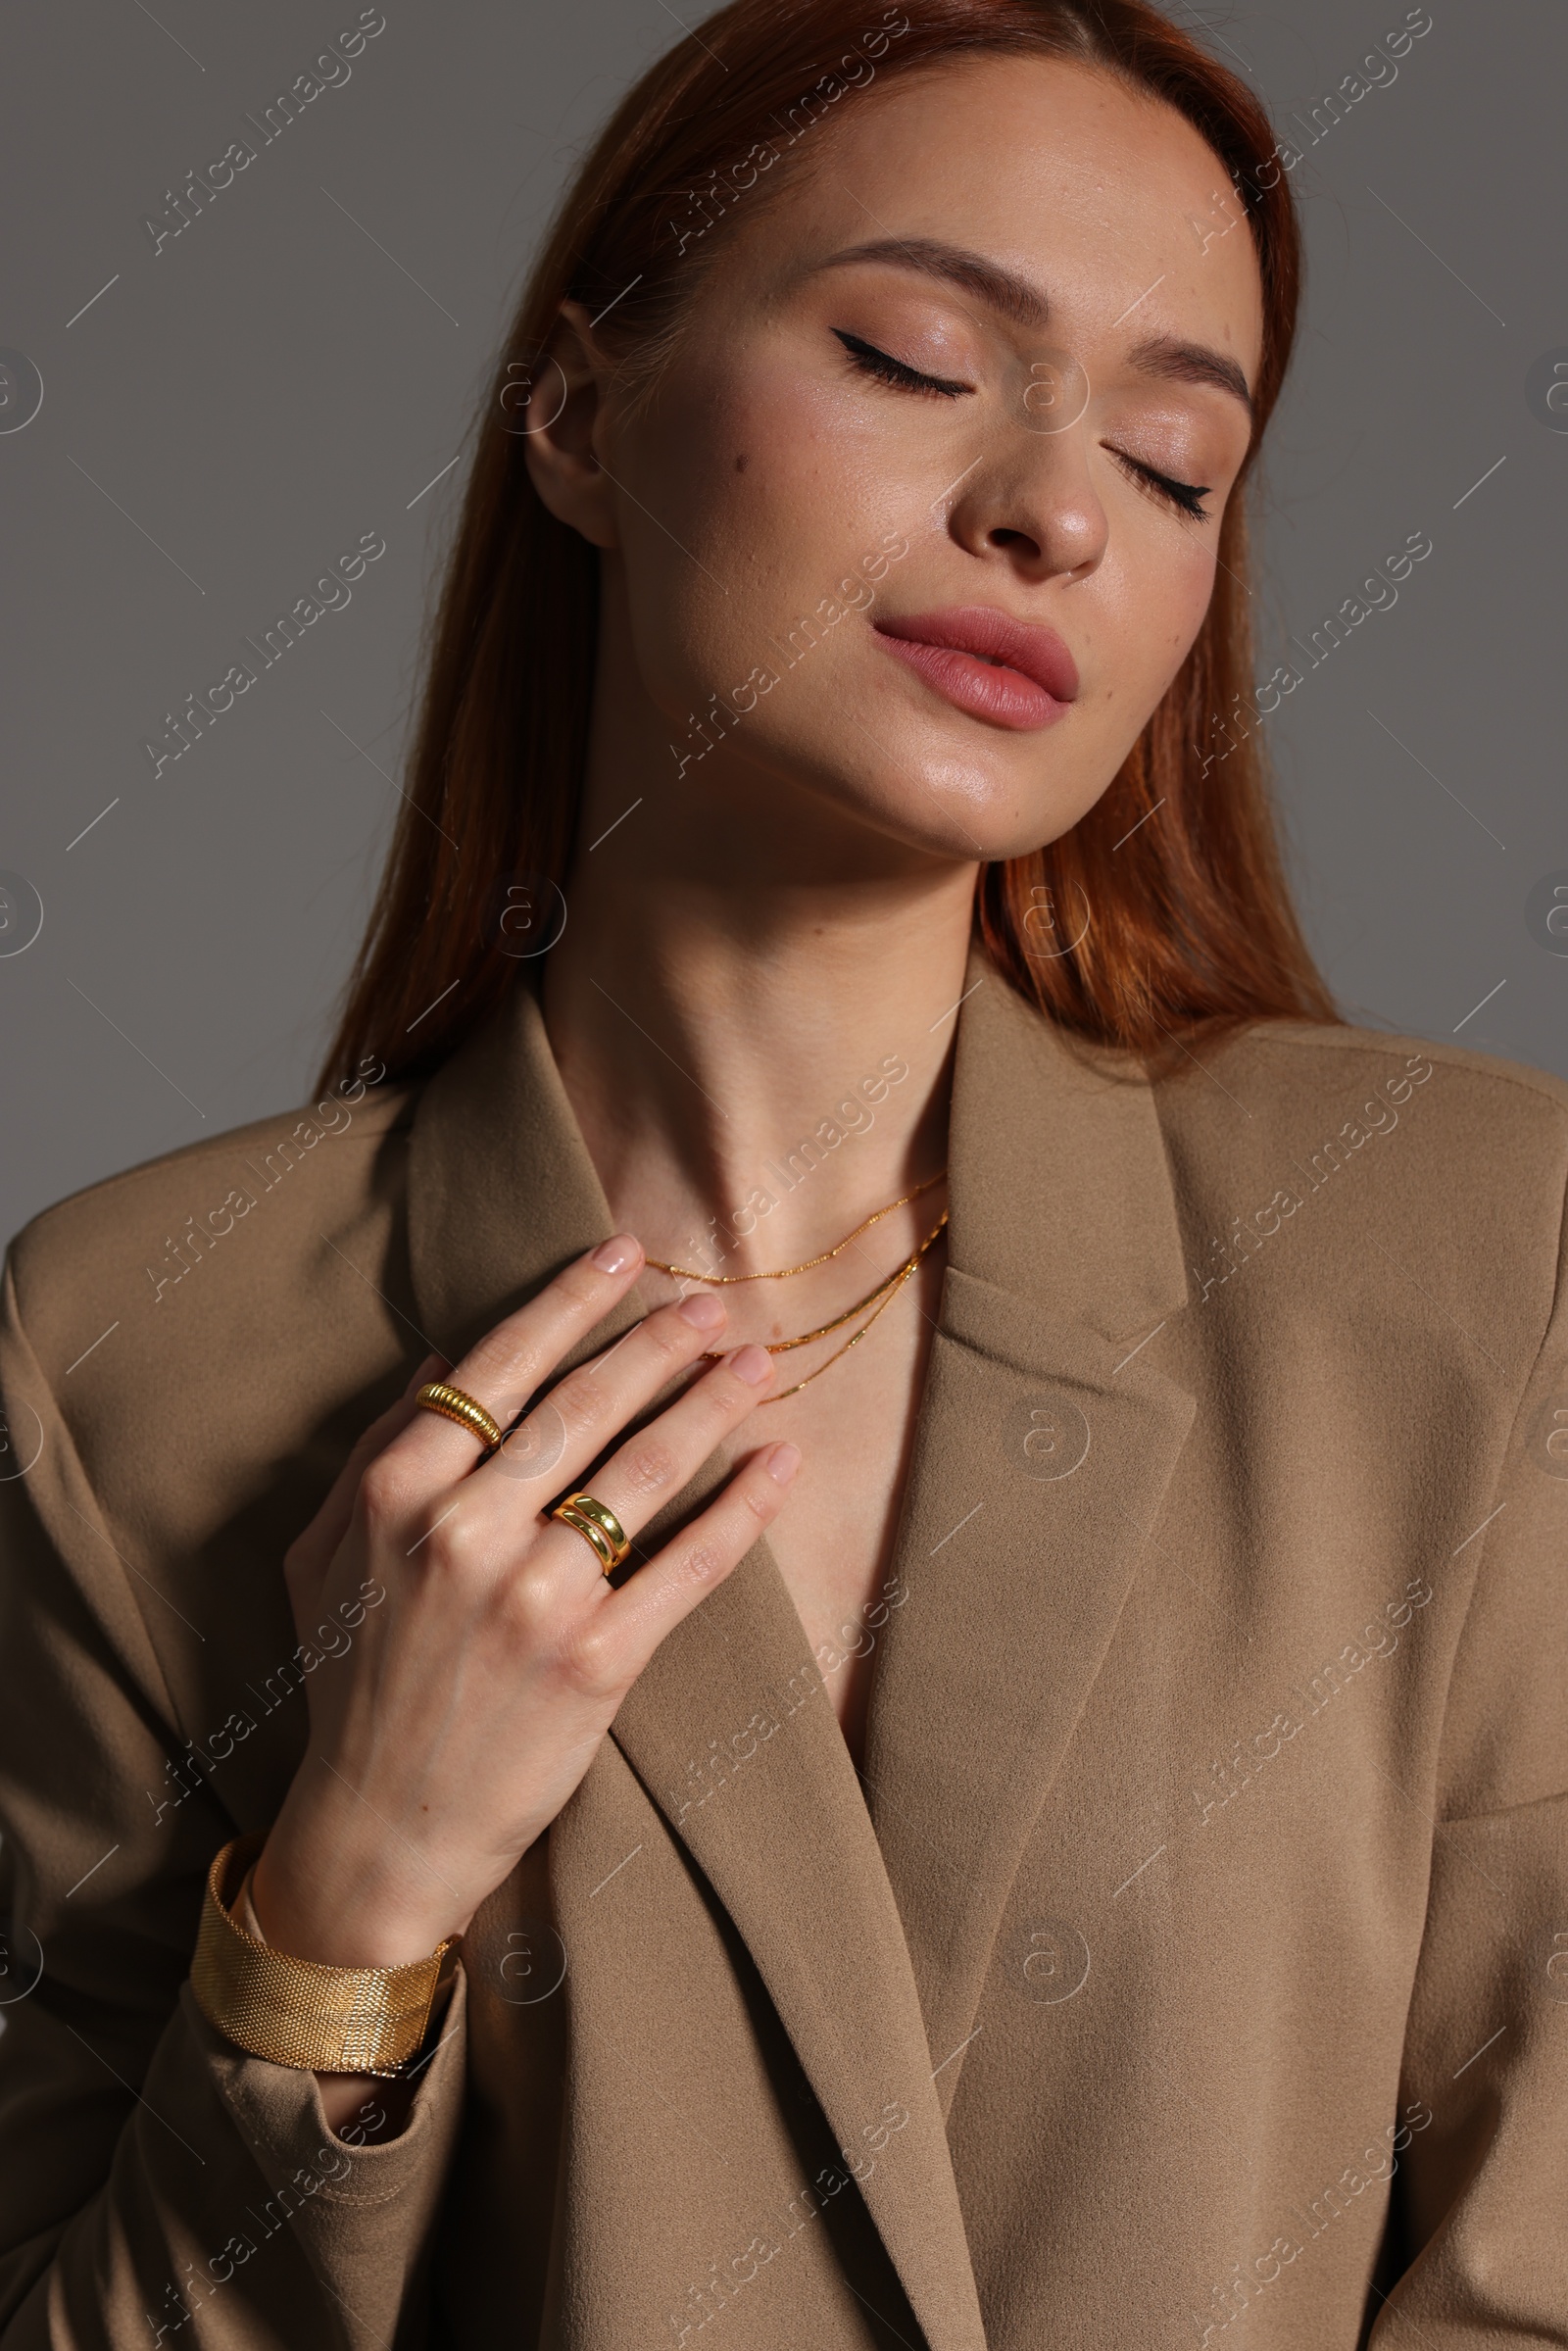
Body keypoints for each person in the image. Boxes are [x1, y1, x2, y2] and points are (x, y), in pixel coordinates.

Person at [1, 0, 1563, 2343]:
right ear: (577, 415)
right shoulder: (137, 1354)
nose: (1051, 506)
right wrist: (337, 1913)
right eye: (919, 357)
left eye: (1170, 457)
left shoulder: (1469, 1255)